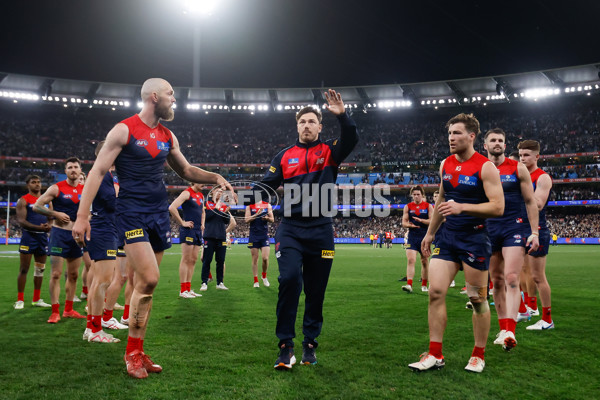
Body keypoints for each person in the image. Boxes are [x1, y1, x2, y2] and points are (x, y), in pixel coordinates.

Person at [71, 78, 235, 379]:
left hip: (159, 215)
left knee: (144, 286)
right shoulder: (124, 129)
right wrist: (82, 216)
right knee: (150, 277)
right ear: (154, 96)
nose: (175, 100)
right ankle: (130, 353)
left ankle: (138, 349)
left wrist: (215, 177)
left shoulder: (167, 135)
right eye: (171, 94)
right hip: (131, 213)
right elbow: (96, 172)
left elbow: (186, 171)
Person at [247, 89, 358, 370]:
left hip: (321, 229)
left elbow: (352, 138)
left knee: (315, 290)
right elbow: (265, 186)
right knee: (289, 281)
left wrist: (343, 115)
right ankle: (285, 345)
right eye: (302, 122)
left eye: (311, 121)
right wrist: (241, 196)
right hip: (291, 229)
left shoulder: (331, 151)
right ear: (297, 126)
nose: (306, 125)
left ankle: (310, 343)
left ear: (320, 127)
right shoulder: (283, 156)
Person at [408, 113, 504, 373]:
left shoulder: (485, 167)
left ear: (471, 136)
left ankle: (478, 354)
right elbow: (441, 200)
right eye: (450, 133)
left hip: (474, 238)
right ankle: (435, 354)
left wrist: (463, 207)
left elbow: (498, 207)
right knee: (436, 293)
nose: (451, 138)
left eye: (457, 133)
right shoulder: (445, 164)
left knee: (477, 299)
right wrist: (430, 232)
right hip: (447, 238)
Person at [483, 129, 539, 351]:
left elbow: (530, 201)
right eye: (493, 140)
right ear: (485, 145)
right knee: (496, 281)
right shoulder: (480, 169)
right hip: (488, 229)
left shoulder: (517, 168)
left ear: (505, 146)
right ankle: (502, 327)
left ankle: (510, 331)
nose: (497, 143)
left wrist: (534, 232)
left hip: (514, 227)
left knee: (512, 277)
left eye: (501, 141)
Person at [34, 157, 85, 323]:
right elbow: (37, 205)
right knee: (55, 274)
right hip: (59, 235)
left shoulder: (85, 189)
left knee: (73, 274)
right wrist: (55, 214)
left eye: (75, 167)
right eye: (69, 167)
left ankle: (69, 309)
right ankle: (55, 311)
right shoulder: (57, 188)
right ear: (65, 171)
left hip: (76, 236)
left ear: (79, 170)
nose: (73, 170)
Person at [83, 141, 124, 343]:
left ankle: (91, 327)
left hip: (103, 228)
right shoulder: (102, 174)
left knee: (98, 281)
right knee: (103, 281)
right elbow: (110, 202)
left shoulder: (101, 174)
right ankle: (96, 330)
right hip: (104, 229)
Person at [518, 140, 554, 331]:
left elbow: (538, 204)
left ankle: (547, 319)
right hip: (519, 228)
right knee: (520, 272)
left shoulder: (542, 178)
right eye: (521, 155)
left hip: (537, 230)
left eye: (527, 155)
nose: (522, 159)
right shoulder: (519, 176)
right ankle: (527, 308)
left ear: (537, 156)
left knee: (538, 276)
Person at [14, 175, 52, 309]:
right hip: (28, 237)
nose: (37, 184)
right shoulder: (23, 200)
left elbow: (51, 216)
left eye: (39, 182)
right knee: (24, 269)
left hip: (42, 238)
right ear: (28, 185)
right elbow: (22, 221)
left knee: (39, 270)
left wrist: (49, 225)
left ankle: (36, 299)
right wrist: (40, 227)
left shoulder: (47, 201)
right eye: (33, 182)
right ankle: (20, 300)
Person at [169, 183, 206, 298]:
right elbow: (172, 207)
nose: (203, 184)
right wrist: (182, 222)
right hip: (188, 230)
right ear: (194, 181)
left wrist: (202, 224)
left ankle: (188, 289)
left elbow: (203, 212)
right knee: (186, 259)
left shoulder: (201, 195)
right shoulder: (186, 193)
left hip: (197, 230)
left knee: (193, 260)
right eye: (201, 182)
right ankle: (182, 290)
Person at [199, 188, 236, 291]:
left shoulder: (224, 205)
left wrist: (225, 211)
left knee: (220, 261)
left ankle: (220, 282)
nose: (220, 193)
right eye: (218, 191)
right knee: (207, 260)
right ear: (212, 192)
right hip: (209, 236)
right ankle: (204, 282)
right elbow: (208, 217)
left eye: (221, 192)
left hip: (221, 237)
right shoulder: (207, 203)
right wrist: (217, 207)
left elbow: (226, 221)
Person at [402, 185, 433, 293]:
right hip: (412, 237)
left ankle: (424, 284)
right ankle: (409, 284)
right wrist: (410, 226)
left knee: (424, 261)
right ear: (412, 195)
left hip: (424, 237)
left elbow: (432, 221)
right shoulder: (408, 207)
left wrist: (421, 221)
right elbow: (404, 222)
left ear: (422, 195)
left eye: (418, 194)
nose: (416, 196)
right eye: (414, 194)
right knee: (411, 260)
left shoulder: (428, 206)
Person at [245, 200, 274, 288]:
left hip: (264, 235)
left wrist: (267, 218)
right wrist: (256, 214)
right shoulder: (249, 206)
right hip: (253, 236)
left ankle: (264, 276)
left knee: (265, 258)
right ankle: (256, 281)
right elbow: (246, 220)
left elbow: (272, 219)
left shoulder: (267, 205)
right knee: (255, 259)